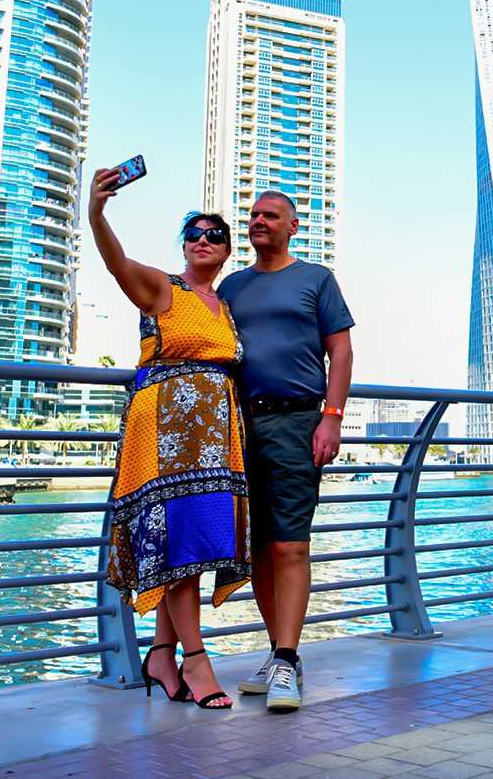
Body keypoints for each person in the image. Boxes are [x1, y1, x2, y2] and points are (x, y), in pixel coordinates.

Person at [89, 167, 250, 710]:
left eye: (215, 235)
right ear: (184, 246)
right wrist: (97, 210)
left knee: (194, 545)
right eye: (195, 233)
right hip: (164, 433)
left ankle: (161, 653)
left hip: (215, 438)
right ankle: (196, 662)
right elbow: (116, 265)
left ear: (227, 250)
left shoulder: (225, 307)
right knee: (179, 542)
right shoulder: (165, 288)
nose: (204, 240)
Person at [217, 190, 354, 712]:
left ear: (293, 226)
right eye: (252, 215)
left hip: (298, 421)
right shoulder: (233, 286)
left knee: (289, 545)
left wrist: (331, 417)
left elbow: (340, 350)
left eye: (269, 216)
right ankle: (279, 655)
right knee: (256, 550)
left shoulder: (316, 279)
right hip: (239, 424)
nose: (257, 222)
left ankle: (289, 660)